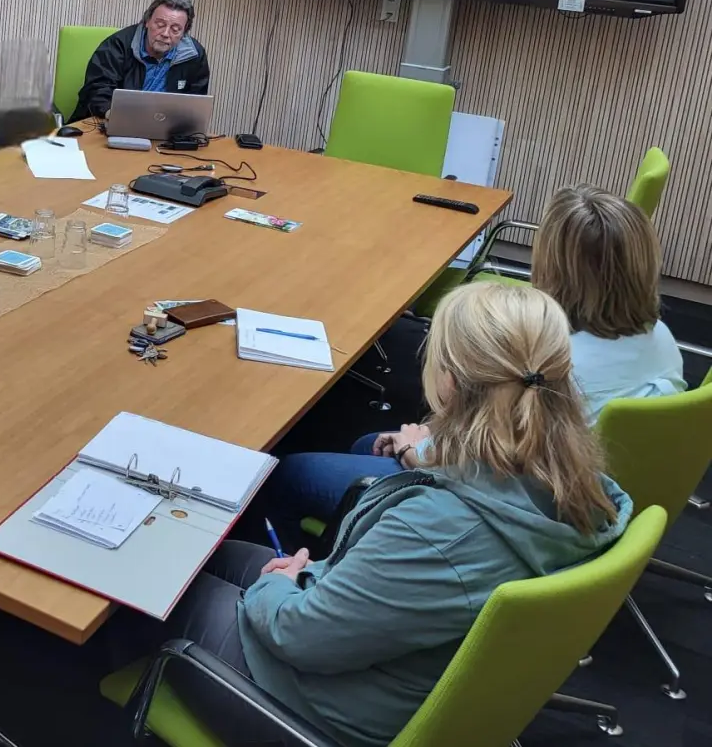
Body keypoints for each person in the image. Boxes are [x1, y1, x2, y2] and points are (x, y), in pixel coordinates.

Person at [113, 283, 631, 746]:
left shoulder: (435, 531)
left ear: (449, 382)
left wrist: (281, 587)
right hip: (400, 663)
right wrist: (300, 581)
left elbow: (300, 637)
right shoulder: (568, 471)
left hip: (330, 709)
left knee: (168, 583)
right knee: (221, 557)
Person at [264, 184, 685, 525]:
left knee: (285, 473)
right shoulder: (662, 337)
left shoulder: (547, 360)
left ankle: (335, 578)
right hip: (581, 491)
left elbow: (485, 456)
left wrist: (414, 450)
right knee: (365, 443)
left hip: (496, 504)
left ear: (552, 267)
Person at [67, 0, 211, 123]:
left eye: (175, 29)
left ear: (184, 32)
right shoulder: (117, 45)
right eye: (160, 25)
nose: (165, 33)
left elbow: (195, 104)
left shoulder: (194, 56)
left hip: (166, 133)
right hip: (111, 123)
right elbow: (97, 91)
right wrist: (117, 118)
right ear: (146, 22)